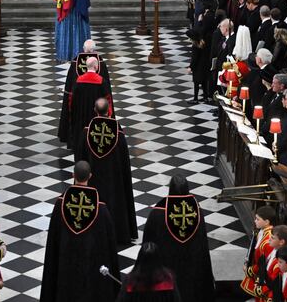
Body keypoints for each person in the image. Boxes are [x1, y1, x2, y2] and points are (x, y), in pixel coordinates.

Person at [41, 161, 120, 302]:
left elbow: (54, 239)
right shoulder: (100, 207)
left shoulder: (61, 203)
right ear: (90, 176)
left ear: (73, 175)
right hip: (91, 265)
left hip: (66, 263)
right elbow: (108, 242)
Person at [142, 174, 214, 302]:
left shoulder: (158, 213)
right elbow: (202, 245)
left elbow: (148, 243)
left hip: (167, 269)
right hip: (192, 267)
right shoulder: (197, 211)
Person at [75, 104, 137, 244]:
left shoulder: (86, 132)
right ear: (109, 111)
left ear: (95, 110)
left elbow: (80, 159)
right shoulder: (118, 134)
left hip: (92, 180)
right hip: (114, 180)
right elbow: (124, 162)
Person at [58, 40, 113, 138]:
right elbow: (107, 92)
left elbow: (70, 88)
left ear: (83, 48)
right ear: (94, 50)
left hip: (80, 107)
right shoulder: (100, 63)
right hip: (97, 106)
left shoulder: (75, 62)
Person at [64, 56, 113, 150]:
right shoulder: (102, 81)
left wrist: (73, 113)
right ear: (96, 67)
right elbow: (108, 101)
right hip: (96, 115)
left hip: (80, 116)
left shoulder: (78, 81)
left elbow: (71, 100)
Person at [241, 205, 277, 298]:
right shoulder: (262, 231)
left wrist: (250, 270)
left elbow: (263, 263)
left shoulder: (268, 242)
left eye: (258, 219)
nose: (255, 221)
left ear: (267, 222)